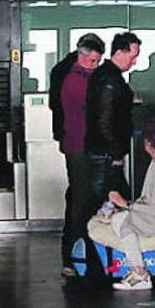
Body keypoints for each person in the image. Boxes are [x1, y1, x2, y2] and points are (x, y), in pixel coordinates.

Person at [92, 119, 155, 291]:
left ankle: (140, 273)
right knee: (120, 219)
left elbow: (154, 210)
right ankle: (140, 272)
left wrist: (126, 204)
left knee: (120, 221)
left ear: (149, 142)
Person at [49, 33, 105, 277]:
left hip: (73, 142)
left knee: (78, 197)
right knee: (81, 199)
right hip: (80, 144)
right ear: (82, 56)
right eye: (93, 61)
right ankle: (75, 254)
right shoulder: (77, 80)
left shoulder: (68, 73)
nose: (95, 66)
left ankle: (77, 252)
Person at [84, 32, 141, 220]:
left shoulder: (107, 76)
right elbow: (105, 119)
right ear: (120, 52)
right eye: (133, 57)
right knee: (101, 203)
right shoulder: (109, 80)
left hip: (103, 151)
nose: (134, 63)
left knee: (108, 201)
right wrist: (116, 153)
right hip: (105, 153)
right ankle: (91, 247)